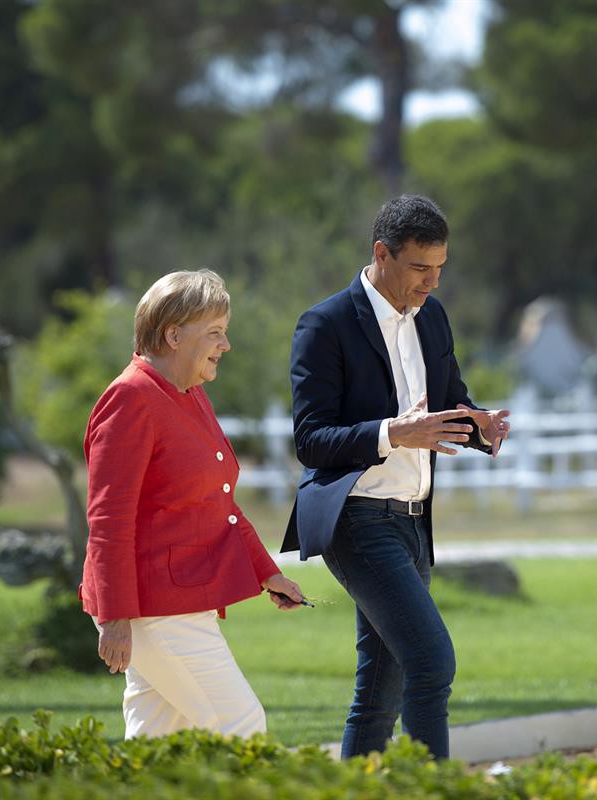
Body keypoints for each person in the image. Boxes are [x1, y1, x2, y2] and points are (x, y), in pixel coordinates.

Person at [282, 195, 511, 760]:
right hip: (356, 519)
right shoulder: (324, 324)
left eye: (439, 269)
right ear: (381, 253)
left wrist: (478, 425)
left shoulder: (431, 316)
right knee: (431, 662)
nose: (431, 283)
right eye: (419, 268)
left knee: (380, 692)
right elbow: (310, 441)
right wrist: (393, 433)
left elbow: (448, 402)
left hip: (414, 525)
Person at [79, 268, 305, 740]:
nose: (225, 346)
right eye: (215, 333)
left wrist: (268, 572)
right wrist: (115, 618)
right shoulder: (130, 398)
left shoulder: (189, 393)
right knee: (242, 727)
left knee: (159, 749)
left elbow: (219, 501)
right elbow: (108, 520)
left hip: (180, 602)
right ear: (173, 334)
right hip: (156, 609)